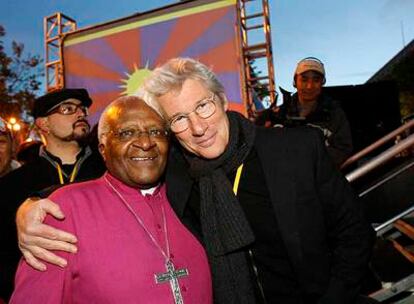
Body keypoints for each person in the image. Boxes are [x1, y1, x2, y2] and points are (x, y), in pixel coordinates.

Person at [16, 58, 374, 304]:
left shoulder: (294, 150)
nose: (199, 128)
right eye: (179, 119)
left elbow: (355, 232)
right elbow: (112, 170)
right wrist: (30, 207)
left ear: (222, 100)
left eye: (203, 106)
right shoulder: (176, 170)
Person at [10, 96, 212, 303]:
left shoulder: (192, 193)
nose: (145, 143)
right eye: (127, 133)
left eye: (155, 132)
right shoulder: (65, 209)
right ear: (103, 148)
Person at [0, 88, 105, 301]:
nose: (81, 114)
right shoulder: (12, 185)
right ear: (43, 124)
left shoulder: (109, 170)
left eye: (82, 109)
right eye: (68, 109)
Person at [261, 57, 353, 167]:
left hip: (319, 181)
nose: (309, 86)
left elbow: (343, 150)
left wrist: (309, 153)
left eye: (316, 80)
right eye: (304, 79)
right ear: (295, 82)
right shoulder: (277, 115)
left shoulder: (335, 115)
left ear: (322, 82)